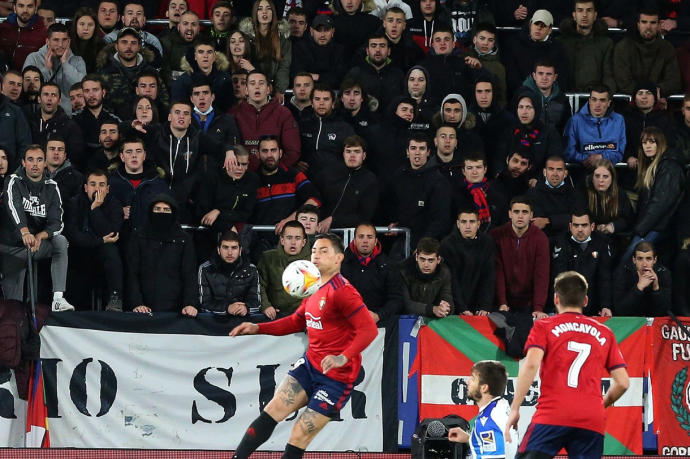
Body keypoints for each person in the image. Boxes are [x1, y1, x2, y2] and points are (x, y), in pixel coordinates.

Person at [230, 232, 378, 459]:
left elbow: (369, 329)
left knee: (299, 433)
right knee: (271, 411)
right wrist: (258, 327)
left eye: (324, 251)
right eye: (314, 251)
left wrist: (343, 357)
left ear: (339, 258)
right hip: (310, 367)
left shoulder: (344, 292)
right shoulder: (312, 285)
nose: (316, 255)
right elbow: (296, 321)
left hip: (337, 378)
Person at [505, 271, 630, 457]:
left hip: (552, 414)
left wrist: (515, 408)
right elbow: (623, 383)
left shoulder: (544, 326)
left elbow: (531, 365)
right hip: (591, 419)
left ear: (556, 299)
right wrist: (599, 405)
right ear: (585, 301)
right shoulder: (605, 333)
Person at [0, 144, 74, 311]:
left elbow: (57, 222)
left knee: (61, 241)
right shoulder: (13, 180)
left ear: (45, 163)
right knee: (14, 306)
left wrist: (41, 236)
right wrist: (24, 231)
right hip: (11, 249)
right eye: (30, 160)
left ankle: (58, 299)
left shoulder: (52, 186)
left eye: (39, 160)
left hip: (35, 246)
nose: (35, 164)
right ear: (23, 163)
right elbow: (14, 207)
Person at [620, 127, 686, 264]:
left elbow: (660, 203)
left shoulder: (669, 166)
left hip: (659, 226)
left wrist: (639, 229)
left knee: (628, 259)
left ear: (660, 143)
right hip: (653, 225)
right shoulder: (654, 166)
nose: (648, 146)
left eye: (652, 142)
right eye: (644, 143)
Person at [127, 194, 198, 314]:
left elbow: (189, 274)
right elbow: (132, 272)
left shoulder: (184, 239)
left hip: (177, 310)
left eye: (166, 210)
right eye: (157, 209)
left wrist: (190, 303)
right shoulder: (138, 236)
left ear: (173, 212)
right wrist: (136, 303)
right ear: (150, 211)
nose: (161, 213)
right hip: (142, 309)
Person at [64, 169, 124, 311]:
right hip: (79, 253)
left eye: (101, 185)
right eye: (93, 184)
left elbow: (112, 234)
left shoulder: (114, 204)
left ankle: (115, 299)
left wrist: (95, 209)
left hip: (102, 255)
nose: (97, 188)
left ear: (108, 189)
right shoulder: (74, 203)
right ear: (85, 187)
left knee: (111, 251)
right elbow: (74, 236)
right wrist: (100, 241)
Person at [383, 133, 452, 252]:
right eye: (413, 148)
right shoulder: (398, 176)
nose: (417, 152)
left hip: (427, 245)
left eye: (422, 148)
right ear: (407, 152)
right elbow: (391, 205)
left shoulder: (438, 180)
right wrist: (395, 222)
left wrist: (423, 244)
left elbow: (441, 219)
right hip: (402, 240)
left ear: (428, 152)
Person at [490, 196, 550, 318]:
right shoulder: (496, 235)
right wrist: (502, 302)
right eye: (516, 212)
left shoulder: (540, 238)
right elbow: (497, 271)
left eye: (525, 212)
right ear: (510, 214)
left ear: (531, 215)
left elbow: (541, 275)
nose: (520, 216)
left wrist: (538, 307)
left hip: (529, 304)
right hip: (501, 303)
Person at [230, 71, 301, 171]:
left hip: (274, 174)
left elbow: (293, 152)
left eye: (261, 83)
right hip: (241, 174)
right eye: (252, 83)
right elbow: (228, 148)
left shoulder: (284, 114)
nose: (257, 87)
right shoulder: (233, 114)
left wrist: (273, 171)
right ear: (246, 90)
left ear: (268, 89)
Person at [448, 360, 517, 458]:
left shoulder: (488, 419)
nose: (468, 382)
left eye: (473, 379)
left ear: (484, 388)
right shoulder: (500, 406)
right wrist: (470, 438)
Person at [551, 212, 613, 317]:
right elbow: (559, 279)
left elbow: (604, 277)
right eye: (576, 225)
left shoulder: (602, 242)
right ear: (570, 226)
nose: (580, 229)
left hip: (594, 308)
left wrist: (605, 305)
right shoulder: (561, 242)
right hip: (567, 308)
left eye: (584, 225)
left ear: (592, 226)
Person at [313, 135, 379, 232]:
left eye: (357, 151)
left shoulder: (370, 180)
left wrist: (334, 220)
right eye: (348, 151)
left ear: (364, 156)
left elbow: (364, 216)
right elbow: (315, 199)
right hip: (320, 232)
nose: (352, 155)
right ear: (343, 154)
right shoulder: (327, 174)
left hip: (351, 235)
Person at [613, 7, 681, 99]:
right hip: (630, 105)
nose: (648, 27)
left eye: (653, 23)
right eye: (644, 22)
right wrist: (648, 94)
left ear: (659, 25)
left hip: (659, 104)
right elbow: (623, 82)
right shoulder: (623, 47)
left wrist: (654, 93)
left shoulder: (667, 48)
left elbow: (674, 82)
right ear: (638, 24)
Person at [108, 138, 169, 238]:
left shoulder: (159, 184)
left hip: (151, 241)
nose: (134, 155)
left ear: (144, 155)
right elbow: (98, 213)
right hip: (120, 241)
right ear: (122, 157)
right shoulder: (110, 183)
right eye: (129, 152)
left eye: (138, 151)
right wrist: (117, 212)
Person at [341, 221, 401, 324]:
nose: (365, 241)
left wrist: (378, 315)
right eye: (361, 237)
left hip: (379, 324)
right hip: (346, 322)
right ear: (354, 240)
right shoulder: (340, 264)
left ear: (375, 240)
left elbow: (396, 299)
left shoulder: (388, 265)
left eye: (369, 237)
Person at [97, 27, 162, 121]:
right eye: (124, 42)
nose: (129, 46)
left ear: (139, 47)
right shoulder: (104, 73)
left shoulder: (150, 72)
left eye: (133, 43)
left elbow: (164, 102)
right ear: (116, 46)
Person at [23, 23, 87, 116]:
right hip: (40, 115)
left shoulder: (78, 61)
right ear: (47, 41)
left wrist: (65, 64)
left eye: (64, 40)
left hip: (69, 116)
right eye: (56, 40)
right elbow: (28, 90)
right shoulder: (33, 58)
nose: (60, 45)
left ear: (69, 41)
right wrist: (47, 70)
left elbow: (81, 88)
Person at [440, 208, 495, 316]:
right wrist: (461, 308)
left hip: (479, 306)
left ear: (478, 224)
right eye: (464, 222)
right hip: (454, 306)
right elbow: (451, 280)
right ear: (458, 224)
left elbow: (489, 277)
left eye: (472, 222)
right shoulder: (447, 244)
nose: (468, 226)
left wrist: (485, 306)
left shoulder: (487, 242)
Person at [503, 9, 570, 94]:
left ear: (550, 30)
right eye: (536, 24)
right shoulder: (515, 45)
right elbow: (512, 77)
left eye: (543, 25)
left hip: (549, 97)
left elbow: (562, 78)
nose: (539, 28)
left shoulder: (558, 49)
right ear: (530, 25)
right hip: (521, 96)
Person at [197, 145, 259, 234]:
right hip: (210, 233)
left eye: (244, 164)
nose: (240, 168)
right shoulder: (212, 178)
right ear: (226, 162)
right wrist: (227, 226)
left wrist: (219, 211)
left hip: (240, 231)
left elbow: (246, 213)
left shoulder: (252, 180)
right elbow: (203, 214)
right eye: (236, 163)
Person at [237, 0, 292, 100]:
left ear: (273, 13)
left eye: (268, 9)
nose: (264, 12)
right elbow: (244, 65)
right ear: (255, 13)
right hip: (252, 86)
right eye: (260, 9)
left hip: (274, 87)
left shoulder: (283, 38)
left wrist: (280, 89)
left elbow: (284, 66)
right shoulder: (245, 37)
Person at [557, 0, 616, 92]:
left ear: (595, 15)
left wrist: (606, 96)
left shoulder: (606, 43)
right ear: (574, 15)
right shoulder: (561, 42)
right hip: (564, 98)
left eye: (589, 10)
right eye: (580, 10)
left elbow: (608, 75)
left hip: (594, 100)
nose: (584, 15)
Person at [257, 220, 311, 320]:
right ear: (282, 240)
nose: (293, 242)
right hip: (275, 314)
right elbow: (260, 285)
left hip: (304, 316)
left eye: (297, 238)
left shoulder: (313, 262)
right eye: (289, 238)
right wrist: (266, 306)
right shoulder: (268, 258)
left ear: (303, 242)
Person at [23, 82, 85, 169]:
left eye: (53, 95)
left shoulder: (70, 126)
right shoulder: (28, 122)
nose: (49, 98)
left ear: (59, 101)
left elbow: (75, 158)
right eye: (46, 94)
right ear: (39, 99)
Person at [298, 82, 355, 176]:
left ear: (333, 103)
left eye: (326, 99)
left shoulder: (344, 128)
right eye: (317, 99)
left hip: (335, 179)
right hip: (305, 178)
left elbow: (353, 155)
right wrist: (296, 162)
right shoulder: (302, 124)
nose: (321, 103)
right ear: (312, 103)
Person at [198, 230, 261, 316]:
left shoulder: (251, 269)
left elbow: (256, 301)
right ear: (218, 250)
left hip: (243, 321)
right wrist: (227, 308)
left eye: (234, 248)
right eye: (225, 247)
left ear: (240, 250)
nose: (230, 253)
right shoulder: (205, 269)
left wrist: (246, 308)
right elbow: (204, 304)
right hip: (214, 323)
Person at [564, 84, 626, 169]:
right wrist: (587, 159)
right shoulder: (575, 120)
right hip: (583, 170)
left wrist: (601, 158)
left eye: (602, 100)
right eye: (594, 100)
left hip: (612, 170)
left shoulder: (618, 120)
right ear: (589, 101)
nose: (597, 104)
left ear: (609, 103)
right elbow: (569, 152)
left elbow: (620, 152)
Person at [345, 32, 405, 115]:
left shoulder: (398, 74)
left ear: (389, 51)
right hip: (362, 123)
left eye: (382, 46)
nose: (378, 50)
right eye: (373, 46)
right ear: (367, 51)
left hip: (392, 123)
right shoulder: (355, 73)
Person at [527, 155, 585, 240]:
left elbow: (579, 219)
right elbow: (537, 222)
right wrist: (563, 219)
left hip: (569, 242)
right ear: (544, 172)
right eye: (551, 169)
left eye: (559, 170)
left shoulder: (575, 194)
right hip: (541, 241)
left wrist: (548, 220)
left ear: (565, 173)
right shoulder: (532, 194)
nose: (555, 174)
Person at [418, 25, 477, 106]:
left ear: (453, 44)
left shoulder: (466, 64)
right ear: (433, 45)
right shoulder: (422, 67)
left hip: (460, 113)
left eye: (446, 39)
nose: (442, 43)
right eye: (438, 40)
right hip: (430, 114)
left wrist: (479, 69)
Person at [72, 74, 122, 164]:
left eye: (95, 90)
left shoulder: (116, 120)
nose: (91, 95)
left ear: (103, 92)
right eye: (87, 91)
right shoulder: (73, 120)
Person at [400, 237, 454, 318]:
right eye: (422, 259)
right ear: (416, 257)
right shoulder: (403, 271)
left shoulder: (444, 273)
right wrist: (432, 309)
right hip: (406, 319)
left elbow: (446, 296)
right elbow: (405, 304)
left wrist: (446, 308)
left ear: (438, 259)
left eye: (431, 260)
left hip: (431, 319)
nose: (426, 265)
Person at [289, 14, 346, 90]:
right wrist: (324, 77)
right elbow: (296, 75)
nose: (322, 35)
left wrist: (317, 77)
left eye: (326, 30)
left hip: (331, 92)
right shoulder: (300, 48)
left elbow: (339, 79)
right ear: (311, 31)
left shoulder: (340, 50)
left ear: (333, 31)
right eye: (318, 30)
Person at [103, 1, 164, 66]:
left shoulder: (152, 41)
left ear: (144, 20)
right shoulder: (110, 39)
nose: (134, 17)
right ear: (123, 19)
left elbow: (159, 66)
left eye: (139, 13)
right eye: (130, 13)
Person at [585, 159, 634, 239]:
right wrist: (594, 227)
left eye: (605, 176)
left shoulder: (620, 194)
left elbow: (629, 219)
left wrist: (612, 226)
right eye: (597, 176)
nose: (601, 180)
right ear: (592, 178)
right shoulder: (583, 193)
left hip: (614, 239)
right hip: (589, 238)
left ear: (612, 178)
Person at [521, 59, 572, 135]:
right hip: (529, 143)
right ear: (534, 76)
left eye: (548, 74)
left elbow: (567, 128)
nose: (544, 78)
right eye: (540, 73)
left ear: (555, 77)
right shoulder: (522, 97)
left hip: (555, 143)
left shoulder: (562, 99)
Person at [467, 22, 507, 109]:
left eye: (490, 40)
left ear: (494, 43)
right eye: (482, 38)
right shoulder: (464, 58)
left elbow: (502, 98)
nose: (485, 43)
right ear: (474, 39)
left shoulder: (498, 67)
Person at [0, 0, 46, 71]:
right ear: (15, 8)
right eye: (21, 6)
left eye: (29, 6)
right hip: (5, 77)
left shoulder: (43, 33)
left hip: (30, 78)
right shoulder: (3, 28)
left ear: (35, 9)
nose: (25, 10)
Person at [160, 10, 201, 86]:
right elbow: (165, 73)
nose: (189, 28)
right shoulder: (166, 42)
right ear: (178, 27)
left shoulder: (205, 44)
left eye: (193, 24)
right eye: (185, 24)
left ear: (198, 29)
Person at [0, 87, 32, 171]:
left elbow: (25, 143)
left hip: (9, 172)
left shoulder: (15, 111)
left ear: (1, 89)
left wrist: (15, 170)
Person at [44, 137, 84, 204]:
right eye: (52, 149)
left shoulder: (77, 178)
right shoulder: (35, 174)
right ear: (45, 153)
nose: (56, 152)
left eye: (60, 149)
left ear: (65, 156)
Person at [69, 7, 106, 74]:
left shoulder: (102, 47)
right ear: (75, 25)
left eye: (90, 25)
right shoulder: (66, 43)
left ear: (95, 27)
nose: (86, 28)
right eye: (82, 24)